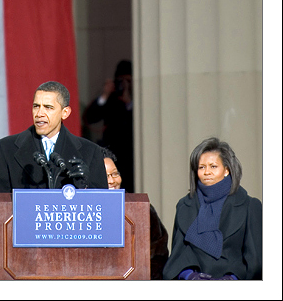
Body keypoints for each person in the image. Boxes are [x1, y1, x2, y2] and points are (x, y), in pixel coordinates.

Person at [163, 137, 262, 280]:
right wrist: (190, 276)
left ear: (227, 170)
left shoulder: (250, 206)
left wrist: (232, 279)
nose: (207, 172)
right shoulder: (184, 206)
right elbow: (178, 255)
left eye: (213, 166)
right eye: (201, 167)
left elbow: (255, 260)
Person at [0, 81, 109, 192]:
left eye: (48, 107)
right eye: (36, 106)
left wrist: (85, 188)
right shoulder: (4, 149)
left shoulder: (90, 152)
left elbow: (103, 208)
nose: (39, 113)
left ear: (65, 113)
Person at [102, 148, 169, 280]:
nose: (112, 181)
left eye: (115, 174)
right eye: (105, 176)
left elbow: (159, 255)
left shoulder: (141, 210)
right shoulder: (85, 212)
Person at [83, 60, 134, 192]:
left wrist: (129, 102)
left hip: (130, 155)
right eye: (121, 80)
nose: (124, 85)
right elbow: (90, 118)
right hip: (111, 150)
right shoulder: (111, 99)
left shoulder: (137, 100)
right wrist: (104, 95)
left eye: (127, 81)